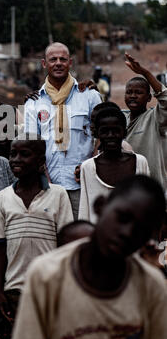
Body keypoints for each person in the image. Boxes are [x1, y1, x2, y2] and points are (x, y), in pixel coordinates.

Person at [10, 175, 167, 339]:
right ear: (100, 206)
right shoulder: (47, 275)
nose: (127, 233)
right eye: (122, 218)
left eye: (141, 229)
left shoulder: (152, 286)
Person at [0, 133, 73, 327]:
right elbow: (0, 248)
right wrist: (1, 291)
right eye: (13, 154)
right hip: (15, 289)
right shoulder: (1, 198)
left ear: (40, 160)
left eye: (24, 154)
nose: (16, 160)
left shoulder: (58, 194)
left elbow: (65, 245)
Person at [24, 42, 102, 219]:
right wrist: (43, 175)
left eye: (63, 59)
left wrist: (90, 164)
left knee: (82, 235)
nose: (58, 63)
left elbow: (102, 136)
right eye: (53, 59)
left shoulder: (89, 96)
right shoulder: (33, 103)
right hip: (47, 186)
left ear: (70, 63)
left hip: (82, 185)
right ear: (44, 64)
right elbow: (31, 144)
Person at [78, 107, 149, 222]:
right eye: (105, 131)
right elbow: (84, 210)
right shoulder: (88, 167)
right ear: (97, 134)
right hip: (101, 237)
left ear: (124, 132)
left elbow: (147, 206)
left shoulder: (140, 162)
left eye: (116, 130)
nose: (111, 135)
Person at [123, 53, 167, 190]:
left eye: (138, 92)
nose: (133, 96)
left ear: (149, 98)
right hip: (126, 187)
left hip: (153, 189)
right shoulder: (120, 118)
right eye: (129, 92)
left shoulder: (155, 117)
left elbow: (165, 98)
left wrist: (144, 72)